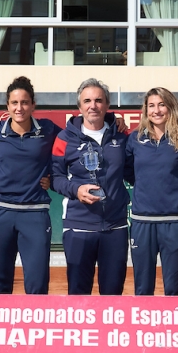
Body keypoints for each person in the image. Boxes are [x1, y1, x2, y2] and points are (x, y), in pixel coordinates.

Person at [52, 78, 131, 295]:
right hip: (78, 227)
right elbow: (56, 177)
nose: (92, 105)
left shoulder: (121, 136)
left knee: (113, 294)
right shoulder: (64, 138)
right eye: (87, 101)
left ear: (107, 105)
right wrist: (75, 190)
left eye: (98, 100)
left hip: (115, 227)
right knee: (78, 294)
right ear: (79, 107)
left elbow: (136, 172)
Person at [0, 77, 61, 295]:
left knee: (37, 286)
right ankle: (0, 329)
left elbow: (77, 137)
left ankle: (34, 329)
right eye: (15, 103)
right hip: (0, 213)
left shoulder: (47, 129)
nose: (20, 108)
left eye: (25, 102)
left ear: (33, 104)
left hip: (35, 214)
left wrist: (114, 120)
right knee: (0, 285)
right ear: (7, 106)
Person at [124, 87, 178, 296]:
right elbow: (128, 170)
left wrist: (171, 180)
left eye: (161, 104)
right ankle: (144, 329)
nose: (156, 110)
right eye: (151, 106)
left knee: (174, 287)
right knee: (143, 287)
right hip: (141, 221)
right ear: (145, 110)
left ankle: (175, 329)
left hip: (173, 222)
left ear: (170, 107)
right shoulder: (135, 139)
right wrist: (147, 181)